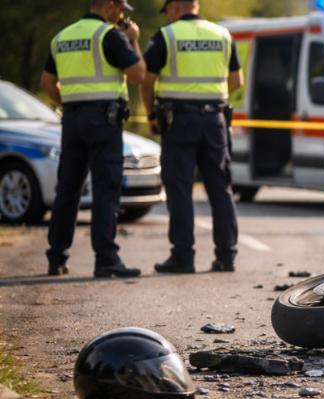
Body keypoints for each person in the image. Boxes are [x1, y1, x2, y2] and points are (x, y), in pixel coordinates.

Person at [40, 0, 145, 278]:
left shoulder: (62, 37)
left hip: (73, 120)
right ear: (109, 6)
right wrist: (133, 40)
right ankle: (106, 259)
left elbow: (47, 83)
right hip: (104, 121)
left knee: (68, 190)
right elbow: (138, 74)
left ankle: (56, 258)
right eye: (121, 9)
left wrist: (73, 105)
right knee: (106, 189)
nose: (122, 15)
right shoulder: (109, 36)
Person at [141, 0, 243, 274]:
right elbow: (237, 81)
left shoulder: (167, 36)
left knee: (180, 189)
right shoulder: (222, 34)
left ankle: (183, 257)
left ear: (175, 7)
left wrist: (151, 116)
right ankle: (226, 256)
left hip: (178, 121)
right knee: (220, 188)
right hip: (215, 120)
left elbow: (147, 81)